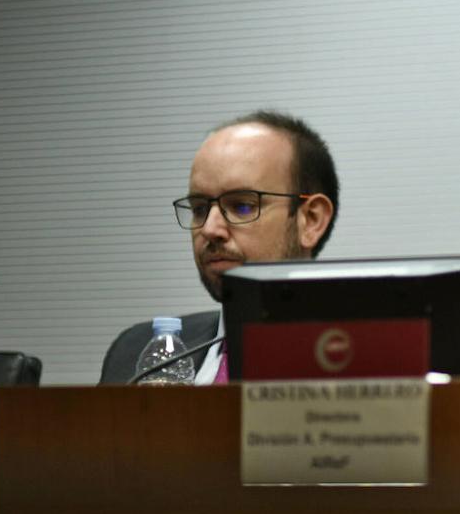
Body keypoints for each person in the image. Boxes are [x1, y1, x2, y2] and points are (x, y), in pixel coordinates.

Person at [99, 110, 339, 383]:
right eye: (200, 208)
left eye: (242, 206)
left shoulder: (363, 355)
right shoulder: (136, 351)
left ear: (310, 220)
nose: (210, 229)